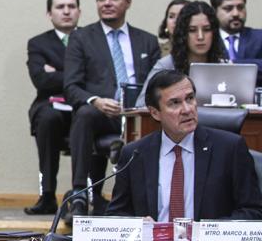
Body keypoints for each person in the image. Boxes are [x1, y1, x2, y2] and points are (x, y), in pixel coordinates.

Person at [63, 0, 160, 221]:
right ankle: (79, 192)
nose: (107, 3)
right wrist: (95, 100)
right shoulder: (81, 37)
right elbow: (71, 86)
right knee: (84, 113)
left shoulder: (147, 40)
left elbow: (159, 85)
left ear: (127, 2)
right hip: (101, 113)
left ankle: (143, 198)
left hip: (139, 113)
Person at [107, 70, 262, 221]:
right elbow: (115, 215)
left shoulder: (230, 148)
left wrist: (208, 232)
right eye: (175, 103)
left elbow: (252, 212)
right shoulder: (134, 154)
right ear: (155, 113)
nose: (187, 109)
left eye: (190, 98)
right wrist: (139, 226)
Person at [24, 0, 82, 215]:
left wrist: (56, 72)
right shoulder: (38, 43)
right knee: (47, 118)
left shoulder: (91, 38)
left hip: (82, 104)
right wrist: (76, 75)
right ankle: (47, 195)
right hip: (51, 106)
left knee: (92, 116)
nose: (66, 11)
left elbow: (98, 78)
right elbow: (41, 80)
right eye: (60, 7)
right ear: (50, 14)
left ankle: (89, 194)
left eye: (71, 6)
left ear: (79, 11)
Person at [136, 1, 226, 107]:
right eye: (192, 30)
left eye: (206, 30)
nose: (200, 37)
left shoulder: (223, 66)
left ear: (214, 33)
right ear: (183, 34)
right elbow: (141, 106)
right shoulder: (166, 65)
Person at [210, 0, 262, 86]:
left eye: (240, 7)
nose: (236, 13)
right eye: (228, 8)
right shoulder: (209, 39)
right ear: (214, 11)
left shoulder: (259, 37)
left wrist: (233, 64)